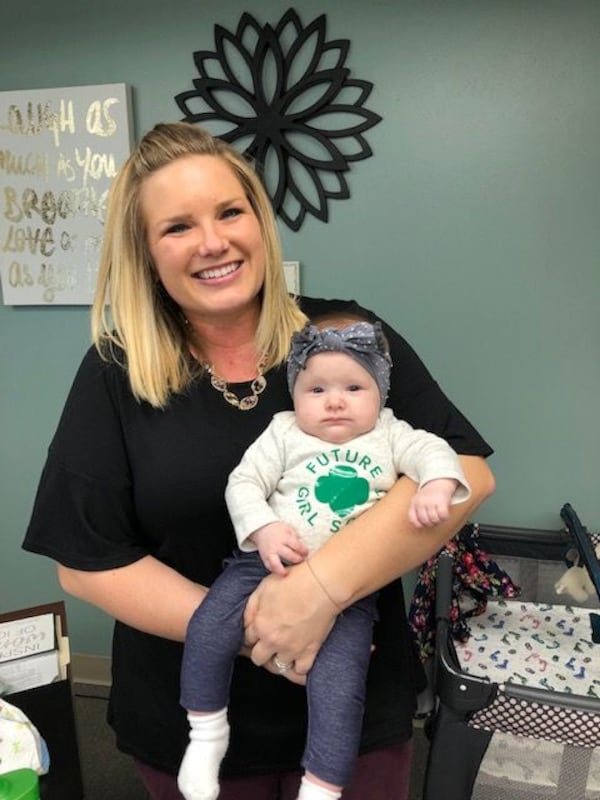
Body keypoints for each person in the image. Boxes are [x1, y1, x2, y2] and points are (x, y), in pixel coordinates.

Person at [22, 120, 495, 800]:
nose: (213, 242)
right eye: (177, 227)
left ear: (259, 221)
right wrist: (261, 626)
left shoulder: (346, 337)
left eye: (229, 212)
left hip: (355, 708)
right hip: (190, 719)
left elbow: (469, 472)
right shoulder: (114, 374)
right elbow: (86, 561)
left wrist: (321, 589)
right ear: (146, 252)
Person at [178, 315, 471, 800]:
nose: (335, 400)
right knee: (208, 627)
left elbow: (436, 450)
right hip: (263, 563)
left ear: (380, 394)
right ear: (294, 395)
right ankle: (206, 733)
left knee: (341, 688)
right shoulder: (283, 431)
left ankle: (322, 785)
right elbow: (244, 482)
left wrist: (436, 484)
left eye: (354, 387)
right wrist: (265, 529)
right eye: (316, 390)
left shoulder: (390, 432)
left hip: (350, 590)